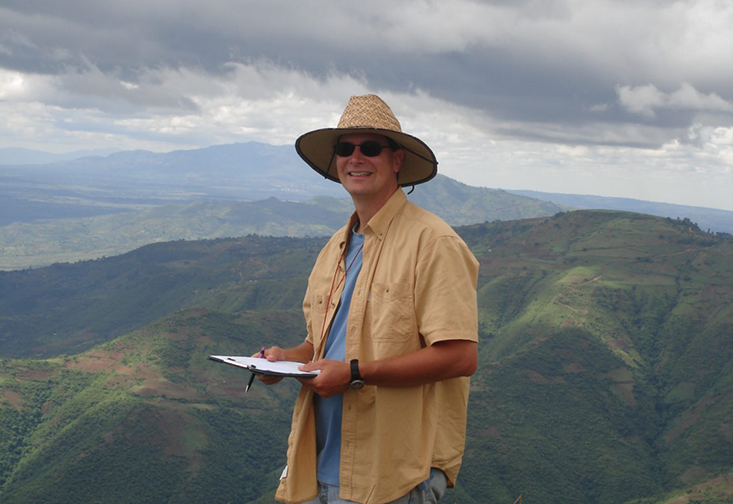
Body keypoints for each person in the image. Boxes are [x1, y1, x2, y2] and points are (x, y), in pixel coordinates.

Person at [258, 94, 479, 504]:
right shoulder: (335, 249)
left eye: (370, 147)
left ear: (396, 160)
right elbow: (321, 344)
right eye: (345, 148)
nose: (356, 157)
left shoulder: (434, 243)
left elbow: (461, 356)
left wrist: (356, 373)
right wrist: (283, 360)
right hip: (317, 467)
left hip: (391, 474)